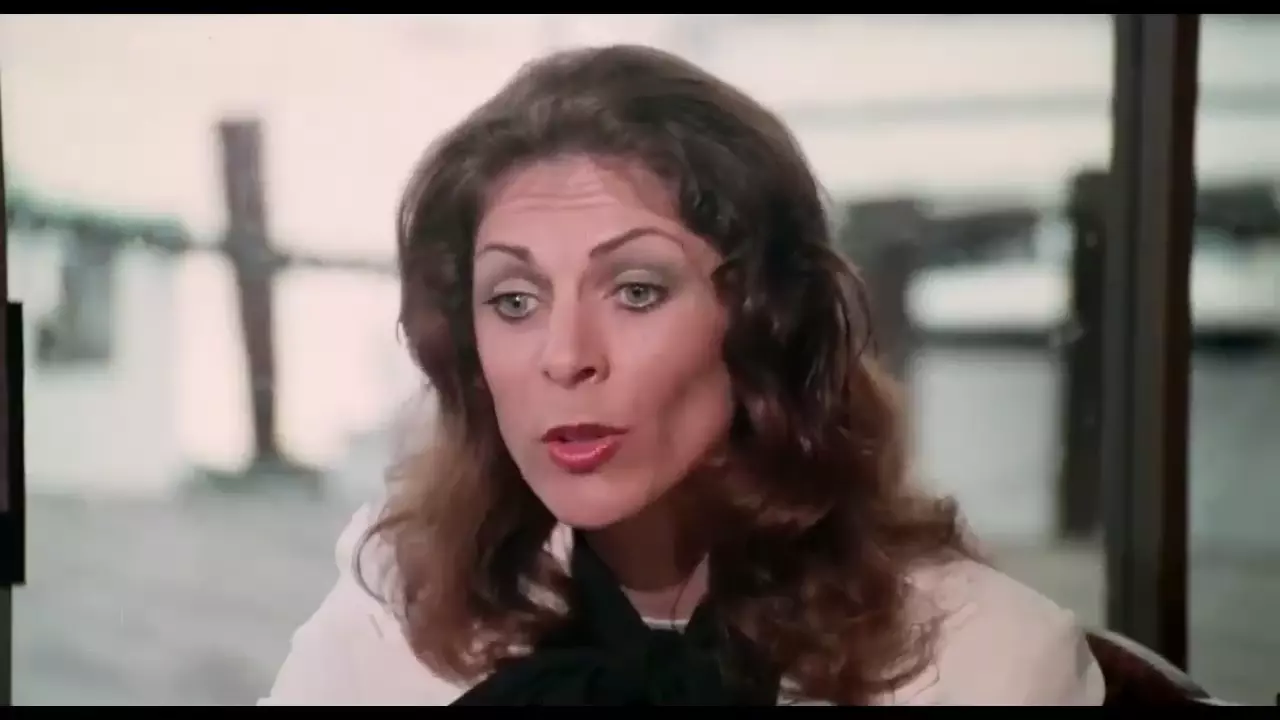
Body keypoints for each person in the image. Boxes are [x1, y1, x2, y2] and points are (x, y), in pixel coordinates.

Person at [260, 44, 1105, 706]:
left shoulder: (987, 659)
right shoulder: (391, 615)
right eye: (514, 300)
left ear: (766, 322)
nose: (565, 355)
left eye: (636, 290)